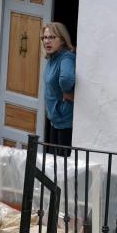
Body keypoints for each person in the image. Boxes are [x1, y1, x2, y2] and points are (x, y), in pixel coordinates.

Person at [41, 22, 76, 156]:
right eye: (45, 38)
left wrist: (66, 91)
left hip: (64, 120)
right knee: (53, 162)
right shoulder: (53, 58)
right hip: (55, 119)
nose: (47, 41)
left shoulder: (66, 58)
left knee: (61, 165)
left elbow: (66, 79)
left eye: (52, 37)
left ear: (62, 40)